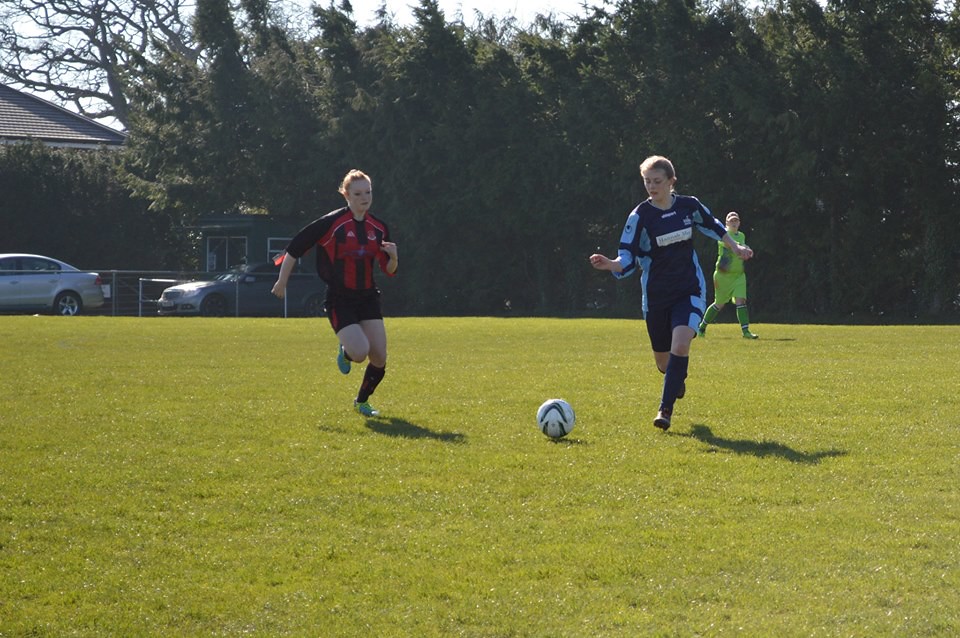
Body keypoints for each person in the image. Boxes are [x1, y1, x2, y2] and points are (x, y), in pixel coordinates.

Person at [589, 155, 753, 431]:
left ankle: (665, 410)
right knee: (665, 365)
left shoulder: (688, 206)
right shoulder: (640, 216)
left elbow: (714, 225)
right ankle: (675, 379)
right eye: (647, 181)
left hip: (689, 290)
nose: (651, 187)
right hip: (655, 297)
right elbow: (627, 256)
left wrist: (736, 248)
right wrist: (610, 265)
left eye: (657, 181)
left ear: (671, 181)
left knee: (681, 345)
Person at [272, 169, 398, 417]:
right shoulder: (332, 223)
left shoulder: (379, 227)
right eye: (358, 193)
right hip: (340, 299)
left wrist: (394, 256)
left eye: (368, 192)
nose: (365, 197)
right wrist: (281, 281)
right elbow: (296, 248)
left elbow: (390, 270)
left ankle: (362, 402)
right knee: (360, 353)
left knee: (380, 357)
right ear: (346, 195)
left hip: (368, 297)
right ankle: (347, 350)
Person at [698, 211, 758, 339]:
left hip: (738, 275)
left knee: (741, 301)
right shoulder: (723, 235)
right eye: (731, 220)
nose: (734, 222)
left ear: (739, 223)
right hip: (723, 276)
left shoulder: (741, 235)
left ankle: (746, 331)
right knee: (719, 304)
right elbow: (731, 246)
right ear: (726, 223)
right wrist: (744, 249)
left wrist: (748, 250)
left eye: (736, 220)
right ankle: (702, 327)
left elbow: (742, 245)